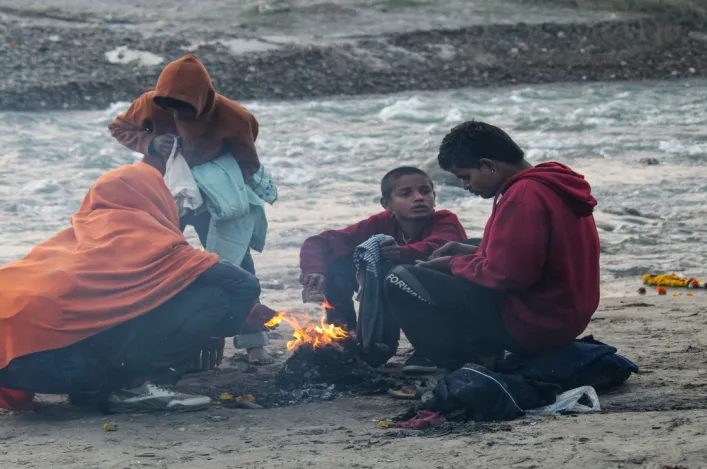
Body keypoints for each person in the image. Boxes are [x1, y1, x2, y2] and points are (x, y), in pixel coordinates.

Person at [0, 148, 265, 414]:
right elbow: (244, 284)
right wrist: (216, 333)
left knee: (126, 300)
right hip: (65, 363)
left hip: (12, 367)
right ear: (156, 199)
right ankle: (143, 387)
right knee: (211, 295)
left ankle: (91, 389)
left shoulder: (73, 240)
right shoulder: (150, 238)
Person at [384, 121, 600, 371]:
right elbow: (535, 255)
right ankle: (483, 348)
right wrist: (466, 253)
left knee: (399, 279)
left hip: (536, 325)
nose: (466, 186)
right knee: (468, 245)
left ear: (488, 165)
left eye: (466, 177)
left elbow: (508, 275)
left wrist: (453, 264)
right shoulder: (551, 181)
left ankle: (457, 361)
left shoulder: (523, 197)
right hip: (565, 316)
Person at [109, 54, 277, 365]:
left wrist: (218, 190)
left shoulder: (234, 116)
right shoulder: (149, 103)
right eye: (168, 105)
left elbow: (248, 163)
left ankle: (253, 340)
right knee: (156, 257)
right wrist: (150, 142)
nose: (174, 112)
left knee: (235, 262)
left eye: (184, 107)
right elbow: (120, 129)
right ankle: (159, 336)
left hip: (214, 197)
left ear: (203, 100)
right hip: (165, 190)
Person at [298, 166, 467, 370]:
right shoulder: (380, 224)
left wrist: (403, 253)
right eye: (406, 194)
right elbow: (322, 241)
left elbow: (441, 245)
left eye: (425, 191)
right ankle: (345, 339)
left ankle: (430, 350)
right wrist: (314, 270)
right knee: (336, 267)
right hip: (397, 297)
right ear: (387, 204)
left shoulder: (445, 219)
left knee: (402, 275)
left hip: (447, 302)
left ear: (434, 196)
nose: (418, 198)